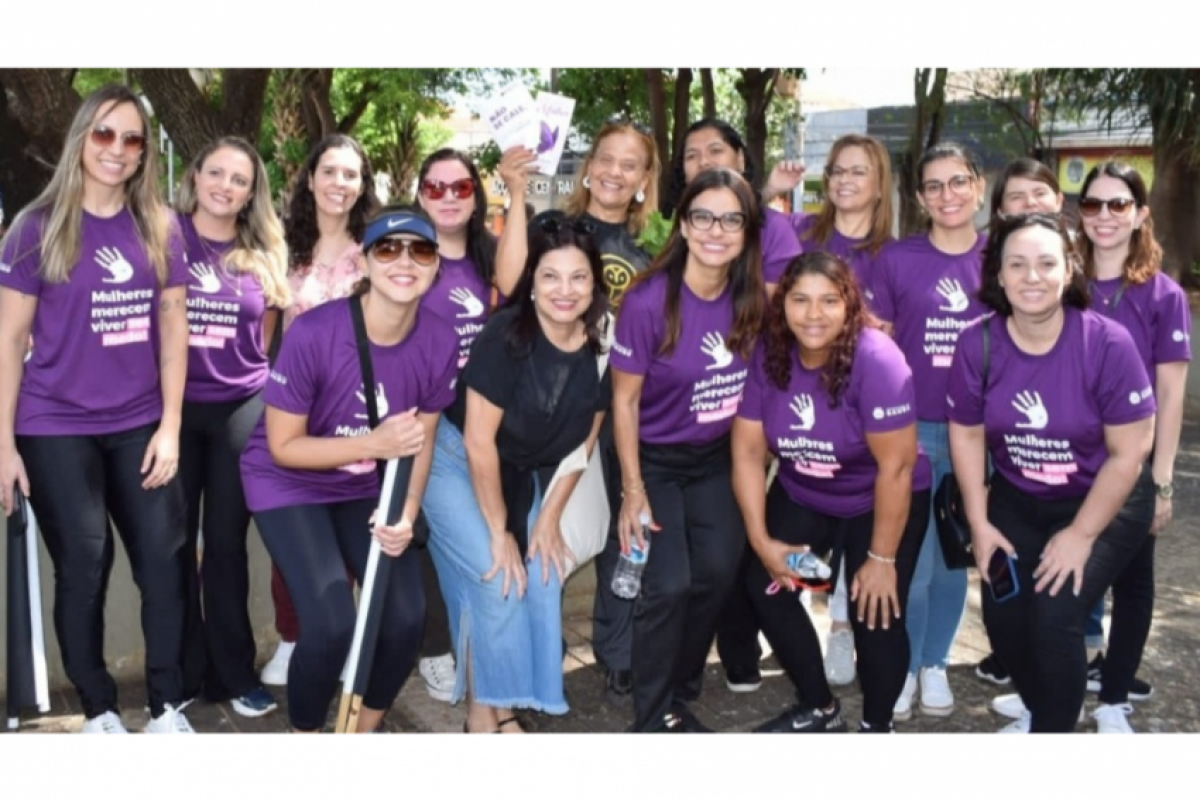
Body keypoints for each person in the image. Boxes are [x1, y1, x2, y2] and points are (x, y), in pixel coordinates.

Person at [0, 84, 194, 734]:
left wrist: (170, 426)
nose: (117, 149)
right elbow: (8, 341)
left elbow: (173, 328)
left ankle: (168, 707)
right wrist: (2, 445)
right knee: (84, 566)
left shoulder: (161, 225)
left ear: (143, 154)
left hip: (139, 420)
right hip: (54, 424)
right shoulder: (36, 225)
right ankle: (99, 709)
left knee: (165, 563)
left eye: (132, 138)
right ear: (81, 138)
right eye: (104, 134)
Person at [239, 206, 457, 732]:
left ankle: (359, 732)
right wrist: (374, 441)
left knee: (405, 617)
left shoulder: (440, 340)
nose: (404, 261)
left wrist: (405, 512)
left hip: (363, 484)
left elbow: (420, 440)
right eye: (388, 248)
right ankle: (309, 734)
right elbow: (284, 445)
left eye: (421, 250)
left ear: (435, 267)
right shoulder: (315, 333)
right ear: (366, 261)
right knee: (332, 623)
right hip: (287, 481)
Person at [946, 212, 1156, 733]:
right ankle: (1048, 712)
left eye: (1045, 263)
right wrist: (979, 522)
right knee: (1005, 613)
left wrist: (1082, 535)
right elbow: (968, 434)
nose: (1031, 276)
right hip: (1019, 498)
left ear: (1069, 270)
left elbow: (1129, 453)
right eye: (1017, 264)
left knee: (1056, 613)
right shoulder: (977, 343)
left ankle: (1052, 738)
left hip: (1103, 499)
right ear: (998, 274)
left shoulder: (1107, 344)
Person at [420, 213, 611, 732]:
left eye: (578, 277)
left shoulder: (600, 346)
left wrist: (547, 519)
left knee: (543, 574)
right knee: (497, 573)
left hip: (522, 475)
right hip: (454, 460)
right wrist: (502, 531)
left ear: (595, 283)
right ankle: (488, 718)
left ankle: (500, 705)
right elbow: (480, 442)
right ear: (531, 283)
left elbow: (582, 447)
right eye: (550, 276)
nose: (564, 291)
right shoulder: (508, 334)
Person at [495, 118, 661, 700]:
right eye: (606, 159)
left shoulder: (656, 250)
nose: (616, 172)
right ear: (588, 167)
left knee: (629, 527)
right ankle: (538, 639)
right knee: (552, 524)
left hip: (631, 406)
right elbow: (511, 283)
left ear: (645, 178)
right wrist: (517, 195)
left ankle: (616, 652)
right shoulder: (555, 227)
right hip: (564, 405)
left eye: (630, 163)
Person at [732, 252, 929, 733]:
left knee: (875, 611)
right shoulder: (770, 352)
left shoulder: (877, 360)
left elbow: (897, 468)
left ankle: (877, 727)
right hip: (807, 498)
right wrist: (763, 543)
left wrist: (881, 561)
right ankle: (820, 706)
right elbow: (748, 453)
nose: (813, 314)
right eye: (799, 300)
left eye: (827, 301)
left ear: (850, 305)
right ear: (783, 306)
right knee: (766, 583)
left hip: (877, 502)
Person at [610, 167, 765, 732]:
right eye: (704, 216)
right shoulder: (650, 300)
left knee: (719, 573)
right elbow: (623, 402)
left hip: (713, 460)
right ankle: (650, 721)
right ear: (684, 224)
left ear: (747, 231)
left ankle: (679, 690)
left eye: (731, 218)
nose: (716, 230)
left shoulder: (752, 299)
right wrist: (633, 491)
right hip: (651, 459)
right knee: (668, 584)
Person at [665, 117, 801, 695]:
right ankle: (682, 664)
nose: (702, 161)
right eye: (691, 155)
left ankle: (739, 651)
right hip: (685, 418)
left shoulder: (769, 229)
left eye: (714, 150)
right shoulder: (681, 229)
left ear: (741, 157)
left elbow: (781, 312)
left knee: (739, 540)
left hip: (748, 407)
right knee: (699, 556)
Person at [759, 132, 897, 687]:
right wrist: (769, 190)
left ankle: (843, 623)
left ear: (879, 182)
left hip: (865, 419)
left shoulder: (894, 251)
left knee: (861, 538)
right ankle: (820, 610)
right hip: (798, 416)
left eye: (858, 171)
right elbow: (739, 224)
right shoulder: (798, 231)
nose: (844, 180)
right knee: (794, 543)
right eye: (836, 170)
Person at [174, 136, 291, 717]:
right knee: (169, 548)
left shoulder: (263, 251)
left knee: (224, 547)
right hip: (168, 411)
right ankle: (180, 674)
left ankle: (233, 673)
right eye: (215, 172)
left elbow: (263, 343)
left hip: (239, 411)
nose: (225, 185)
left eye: (238, 179)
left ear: (251, 193)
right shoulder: (164, 235)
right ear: (195, 176)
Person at [871, 141, 987, 720]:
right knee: (907, 558)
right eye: (935, 185)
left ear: (978, 187)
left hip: (978, 434)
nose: (948, 195)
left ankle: (934, 662)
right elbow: (879, 345)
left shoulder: (1002, 258)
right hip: (909, 430)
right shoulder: (896, 259)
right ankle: (905, 666)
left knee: (951, 559)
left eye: (959, 182)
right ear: (920, 197)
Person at [260, 133, 379, 687]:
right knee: (296, 537)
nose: (339, 184)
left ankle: (346, 636)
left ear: (363, 184)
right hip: (295, 413)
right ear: (310, 179)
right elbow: (266, 334)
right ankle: (294, 636)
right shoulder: (280, 248)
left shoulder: (378, 249)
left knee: (352, 529)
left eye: (350, 174)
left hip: (359, 411)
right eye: (329, 172)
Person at [410, 148, 500, 703]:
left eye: (460, 188)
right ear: (420, 194)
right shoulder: (405, 254)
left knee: (478, 540)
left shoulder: (493, 259)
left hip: (487, 422)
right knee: (426, 536)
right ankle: (434, 648)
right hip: (425, 422)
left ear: (475, 195)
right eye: (435, 187)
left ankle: (478, 641)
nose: (447, 197)